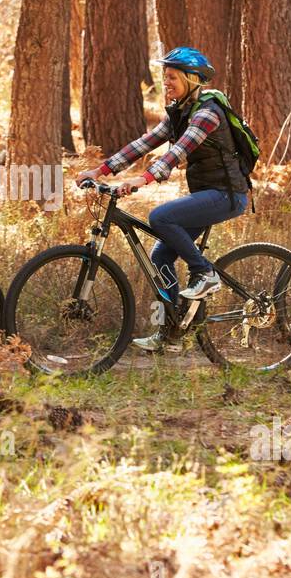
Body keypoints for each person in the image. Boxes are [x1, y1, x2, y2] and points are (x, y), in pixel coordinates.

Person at [76, 46, 250, 353]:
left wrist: (141, 180)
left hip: (227, 195)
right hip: (207, 195)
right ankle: (171, 332)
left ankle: (205, 273)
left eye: (172, 77)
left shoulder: (208, 113)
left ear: (193, 79)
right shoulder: (179, 113)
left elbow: (177, 151)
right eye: (164, 76)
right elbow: (142, 144)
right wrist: (100, 170)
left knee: (161, 217)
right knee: (160, 257)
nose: (166, 82)